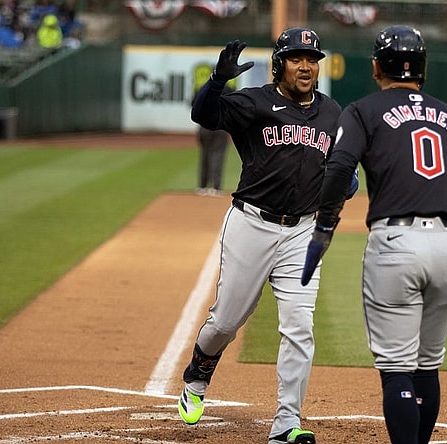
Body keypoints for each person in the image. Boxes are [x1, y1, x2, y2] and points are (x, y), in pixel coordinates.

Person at [301, 26, 447, 444]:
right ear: (423, 69)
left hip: (397, 243)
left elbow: (339, 167)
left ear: (376, 67)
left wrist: (324, 227)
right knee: (427, 364)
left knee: (397, 367)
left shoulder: (363, 111)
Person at [179, 28, 345, 444]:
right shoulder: (254, 102)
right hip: (251, 225)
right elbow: (204, 115)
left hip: (302, 233)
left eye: (312, 58)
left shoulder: (331, 113)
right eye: (296, 58)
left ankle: (286, 423)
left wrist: (347, 180)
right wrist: (218, 81)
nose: (306, 65)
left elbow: (344, 166)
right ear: (279, 64)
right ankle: (199, 372)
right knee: (225, 322)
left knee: (299, 327)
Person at [191, 63, 231, 196]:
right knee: (218, 155)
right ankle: (216, 187)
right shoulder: (229, 89)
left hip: (204, 126)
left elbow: (193, 105)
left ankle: (202, 186)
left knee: (205, 155)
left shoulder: (202, 88)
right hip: (220, 127)